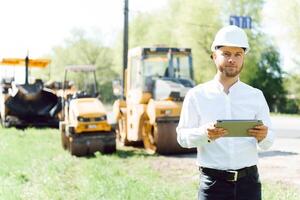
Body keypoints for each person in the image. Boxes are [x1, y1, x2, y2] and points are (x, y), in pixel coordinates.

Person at [176, 25, 274, 200]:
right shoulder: (196, 95)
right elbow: (182, 137)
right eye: (226, 54)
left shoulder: (256, 96)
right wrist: (204, 133)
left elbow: (268, 142)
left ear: (244, 58)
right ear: (214, 56)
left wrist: (263, 135)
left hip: (249, 185)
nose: (232, 59)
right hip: (213, 185)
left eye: (238, 54)